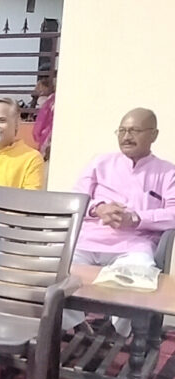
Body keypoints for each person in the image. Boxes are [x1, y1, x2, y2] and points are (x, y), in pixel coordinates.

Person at [64, 108, 175, 336]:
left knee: (139, 281)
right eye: (122, 130)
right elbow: (76, 199)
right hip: (87, 241)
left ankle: (118, 332)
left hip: (132, 247)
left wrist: (136, 219)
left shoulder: (167, 172)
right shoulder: (100, 162)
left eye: (134, 130)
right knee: (50, 272)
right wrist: (98, 208)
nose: (126, 136)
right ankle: (72, 321)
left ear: (153, 135)